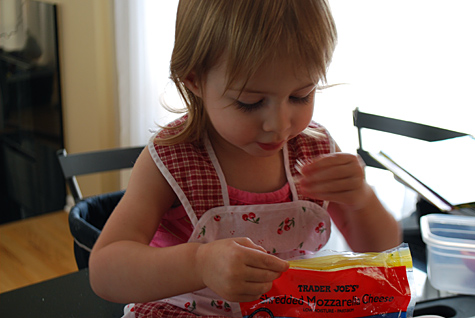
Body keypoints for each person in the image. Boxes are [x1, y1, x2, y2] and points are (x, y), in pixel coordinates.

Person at [89, 1, 402, 317]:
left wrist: (361, 199)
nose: (279, 124)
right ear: (194, 80)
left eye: (301, 96)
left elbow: (383, 252)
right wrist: (199, 264)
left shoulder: (313, 150)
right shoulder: (172, 160)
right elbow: (105, 271)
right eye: (250, 102)